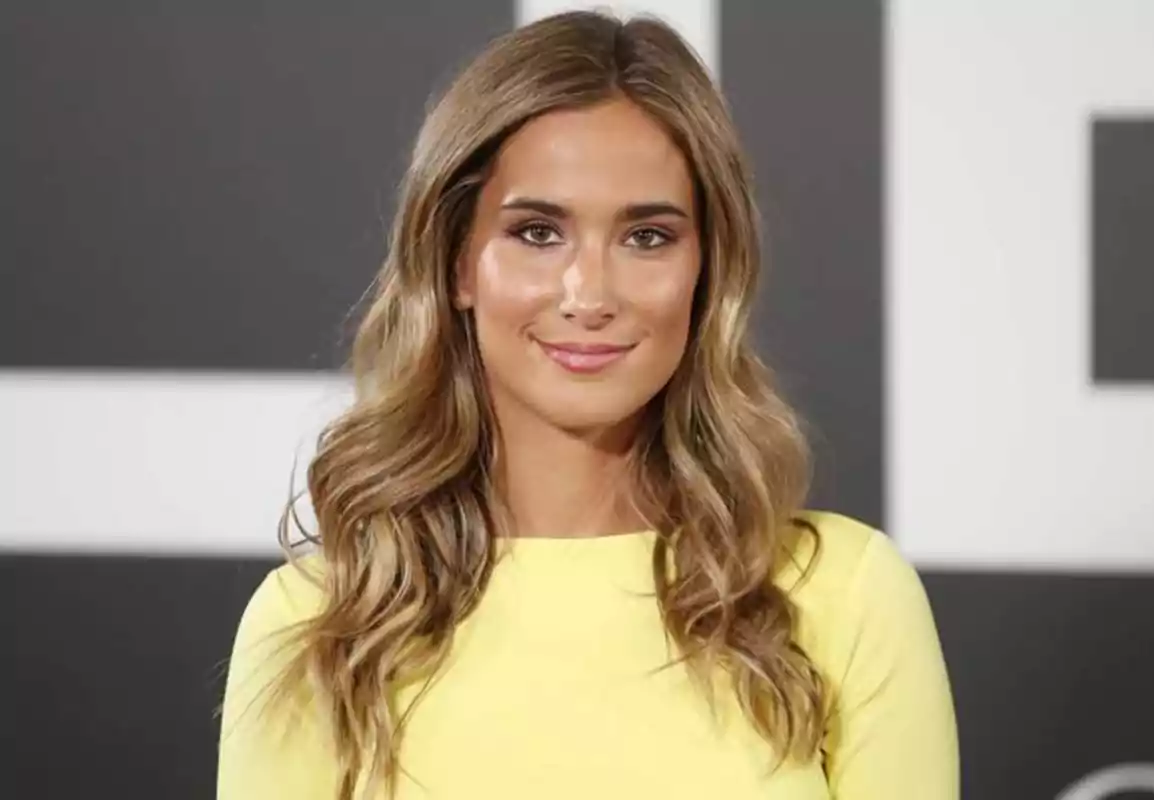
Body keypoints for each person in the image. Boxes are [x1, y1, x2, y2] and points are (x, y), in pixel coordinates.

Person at [216, 10, 958, 800]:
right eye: (538, 232)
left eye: (647, 238)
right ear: (458, 267)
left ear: (708, 272)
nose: (590, 294)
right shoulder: (321, 626)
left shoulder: (842, 597)